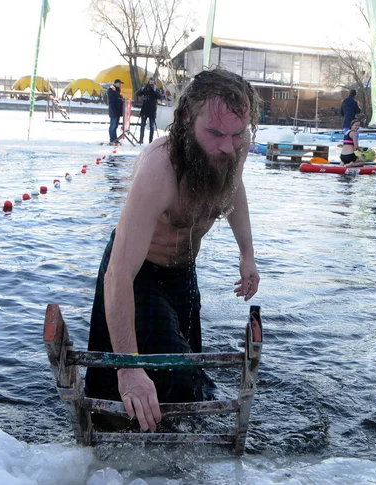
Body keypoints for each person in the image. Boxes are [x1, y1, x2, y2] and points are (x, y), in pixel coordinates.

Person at [85, 68, 261, 432]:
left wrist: (247, 254)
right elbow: (118, 274)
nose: (228, 146)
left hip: (183, 276)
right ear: (185, 118)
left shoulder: (233, 146)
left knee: (188, 378)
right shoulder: (160, 168)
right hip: (138, 275)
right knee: (154, 378)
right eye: (214, 133)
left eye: (237, 134)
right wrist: (128, 367)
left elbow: (234, 192)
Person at [136, 78, 163, 145]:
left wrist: (155, 90)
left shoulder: (156, 89)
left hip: (152, 110)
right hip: (145, 109)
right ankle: (141, 139)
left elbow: (159, 97)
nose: (151, 83)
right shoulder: (146, 88)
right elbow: (137, 94)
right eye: (150, 82)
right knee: (142, 125)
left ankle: (150, 141)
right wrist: (141, 89)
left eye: (152, 82)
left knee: (151, 126)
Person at [108, 79, 124, 144]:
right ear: (116, 83)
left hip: (117, 111)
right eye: (119, 84)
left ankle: (115, 139)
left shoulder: (117, 91)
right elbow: (112, 101)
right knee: (113, 126)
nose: (120, 85)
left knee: (115, 126)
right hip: (114, 111)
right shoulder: (112, 90)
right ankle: (112, 139)